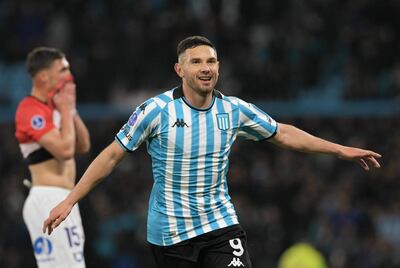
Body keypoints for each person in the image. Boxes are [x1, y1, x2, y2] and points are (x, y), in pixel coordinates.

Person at [43, 36, 381, 268]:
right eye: (197, 62)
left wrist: (339, 150)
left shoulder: (234, 110)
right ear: (180, 69)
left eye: (212, 61)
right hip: (170, 234)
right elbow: (112, 155)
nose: (206, 67)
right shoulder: (155, 111)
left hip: (220, 225)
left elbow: (282, 133)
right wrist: (71, 199)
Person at [15, 47, 90, 268]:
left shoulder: (58, 108)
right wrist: (66, 110)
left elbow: (83, 145)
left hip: (65, 199)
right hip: (47, 197)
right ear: (44, 76)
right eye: (63, 70)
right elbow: (65, 150)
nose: (69, 75)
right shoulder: (30, 110)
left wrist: (71, 110)